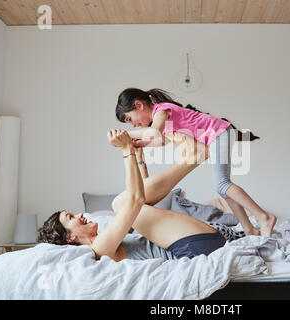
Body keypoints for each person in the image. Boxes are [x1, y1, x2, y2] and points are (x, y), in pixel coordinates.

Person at [37, 129, 227, 261]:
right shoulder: (99, 248)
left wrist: (138, 157)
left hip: (199, 242)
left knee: (124, 206)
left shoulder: (110, 236)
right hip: (194, 249)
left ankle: (194, 157)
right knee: (120, 204)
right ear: (69, 238)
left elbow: (142, 202)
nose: (80, 215)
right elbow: (135, 201)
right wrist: (126, 149)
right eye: (71, 218)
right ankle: (193, 158)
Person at [115, 87, 277, 237]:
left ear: (138, 105)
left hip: (219, 133)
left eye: (130, 119)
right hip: (220, 134)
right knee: (222, 189)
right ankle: (249, 228)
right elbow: (161, 140)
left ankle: (264, 217)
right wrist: (140, 144)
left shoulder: (161, 110)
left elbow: (153, 132)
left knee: (221, 184)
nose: (134, 124)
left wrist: (127, 135)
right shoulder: (160, 115)